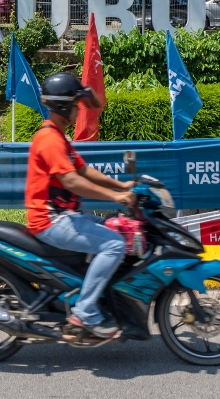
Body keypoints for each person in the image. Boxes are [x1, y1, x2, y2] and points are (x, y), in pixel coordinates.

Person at [25, 71, 136, 338]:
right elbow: (73, 181)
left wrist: (122, 186)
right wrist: (116, 197)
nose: (78, 109)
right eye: (75, 104)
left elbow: (84, 171)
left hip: (64, 216)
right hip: (51, 221)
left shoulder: (57, 136)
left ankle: (95, 296)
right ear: (63, 106)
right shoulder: (50, 139)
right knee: (114, 244)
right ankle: (85, 312)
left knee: (115, 227)